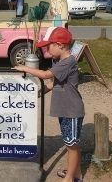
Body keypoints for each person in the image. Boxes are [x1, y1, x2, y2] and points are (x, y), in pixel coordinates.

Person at [15, 27, 84, 182]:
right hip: (65, 110)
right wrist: (37, 94)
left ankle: (69, 178)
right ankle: (76, 173)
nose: (46, 50)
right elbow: (52, 83)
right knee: (71, 144)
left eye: (48, 46)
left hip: (71, 111)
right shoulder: (61, 62)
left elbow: (46, 75)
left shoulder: (68, 61)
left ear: (60, 45)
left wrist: (25, 68)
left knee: (72, 145)